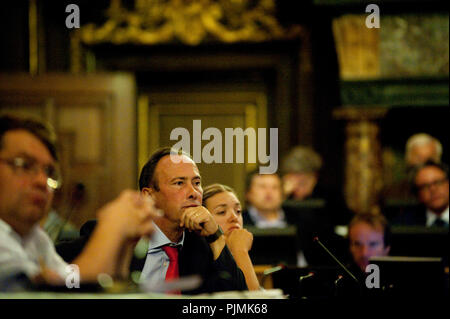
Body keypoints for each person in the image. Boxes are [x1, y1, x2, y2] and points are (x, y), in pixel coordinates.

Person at [0, 113, 156, 289]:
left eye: (49, 172)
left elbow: (69, 281)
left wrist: (124, 244)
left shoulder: (35, 239)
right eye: (25, 165)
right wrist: (112, 227)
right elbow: (55, 294)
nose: (42, 181)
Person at [138, 147, 247, 294]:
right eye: (179, 183)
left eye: (196, 183)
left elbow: (238, 302)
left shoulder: (204, 245)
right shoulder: (123, 241)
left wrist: (216, 236)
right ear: (149, 196)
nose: (193, 193)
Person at [202, 183, 260, 290]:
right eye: (222, 212)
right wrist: (240, 251)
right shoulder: (200, 261)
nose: (234, 217)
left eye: (238, 211)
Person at [395, 161, 449, 227]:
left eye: (438, 182)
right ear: (418, 194)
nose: (433, 189)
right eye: (425, 186)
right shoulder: (404, 224)